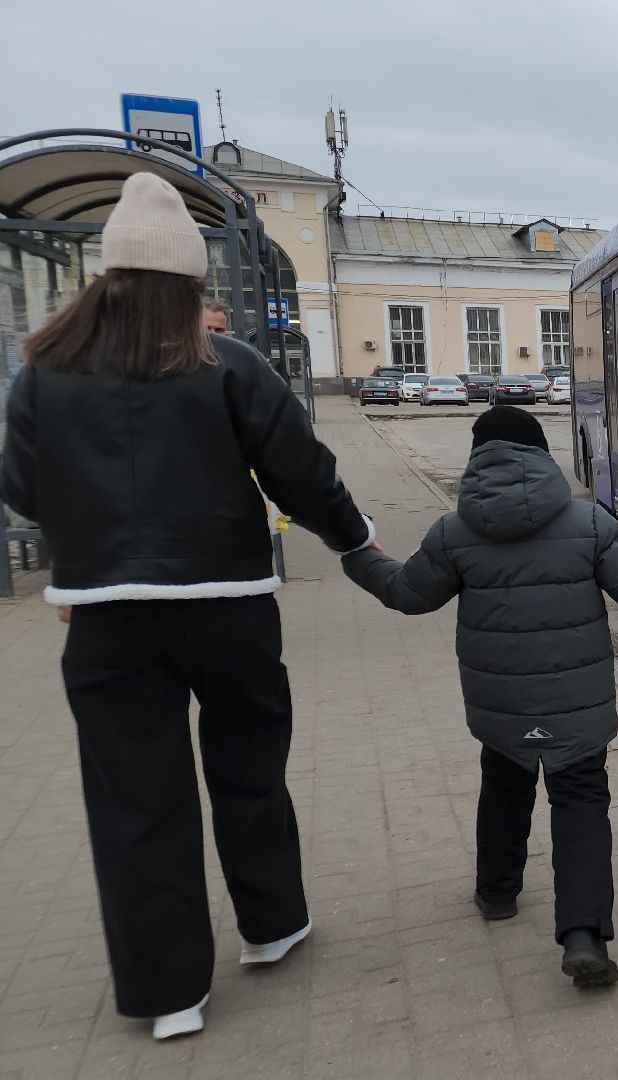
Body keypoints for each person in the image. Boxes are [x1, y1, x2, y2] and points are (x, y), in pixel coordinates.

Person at [0, 173, 375, 1040]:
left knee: (136, 799)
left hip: (106, 618)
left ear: (106, 274)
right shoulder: (228, 366)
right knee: (249, 763)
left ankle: (170, 996)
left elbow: (20, 485)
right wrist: (355, 541)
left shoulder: (44, 375)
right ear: (190, 284)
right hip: (228, 606)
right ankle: (273, 925)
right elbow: (302, 471)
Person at [340, 405, 618, 988]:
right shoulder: (590, 524)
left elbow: (405, 594)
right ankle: (583, 935)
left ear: (478, 459)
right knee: (581, 807)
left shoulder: (453, 533)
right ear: (542, 455)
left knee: (503, 787)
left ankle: (496, 895)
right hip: (578, 708)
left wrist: (356, 554)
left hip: (501, 707)